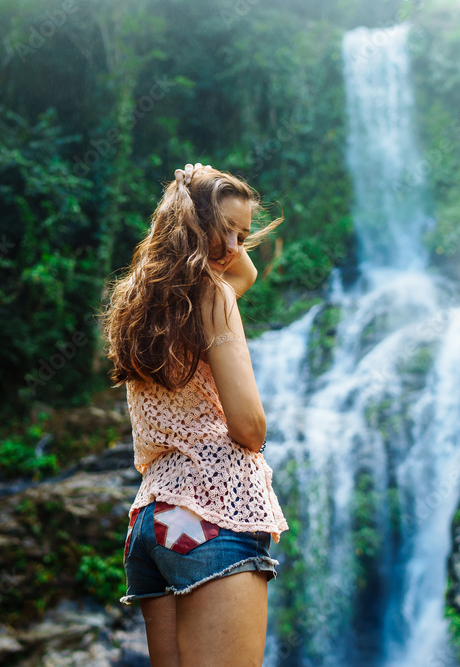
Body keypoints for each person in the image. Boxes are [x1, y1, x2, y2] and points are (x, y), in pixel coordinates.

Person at [99, 163, 289, 666]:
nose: (233, 246)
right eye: (224, 228)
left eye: (242, 234)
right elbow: (249, 428)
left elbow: (242, 270)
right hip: (213, 514)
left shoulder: (136, 303)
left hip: (153, 523)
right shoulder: (212, 296)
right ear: (192, 222)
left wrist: (203, 190)